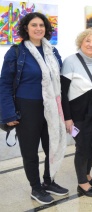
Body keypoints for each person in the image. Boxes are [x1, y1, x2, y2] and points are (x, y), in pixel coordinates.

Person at [0, 12, 68, 205]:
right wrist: (8, 113)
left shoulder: (52, 52)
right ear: (26, 28)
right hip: (27, 107)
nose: (38, 28)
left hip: (51, 107)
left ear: (46, 29)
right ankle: (36, 188)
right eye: (34, 25)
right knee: (30, 151)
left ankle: (48, 181)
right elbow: (4, 84)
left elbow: (60, 80)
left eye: (41, 25)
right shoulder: (16, 52)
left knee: (51, 146)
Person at [61, 28, 92, 197]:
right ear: (80, 42)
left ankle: (87, 174)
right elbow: (63, 93)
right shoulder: (70, 61)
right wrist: (67, 118)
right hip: (77, 115)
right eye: (88, 41)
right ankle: (82, 183)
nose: (91, 44)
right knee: (82, 147)